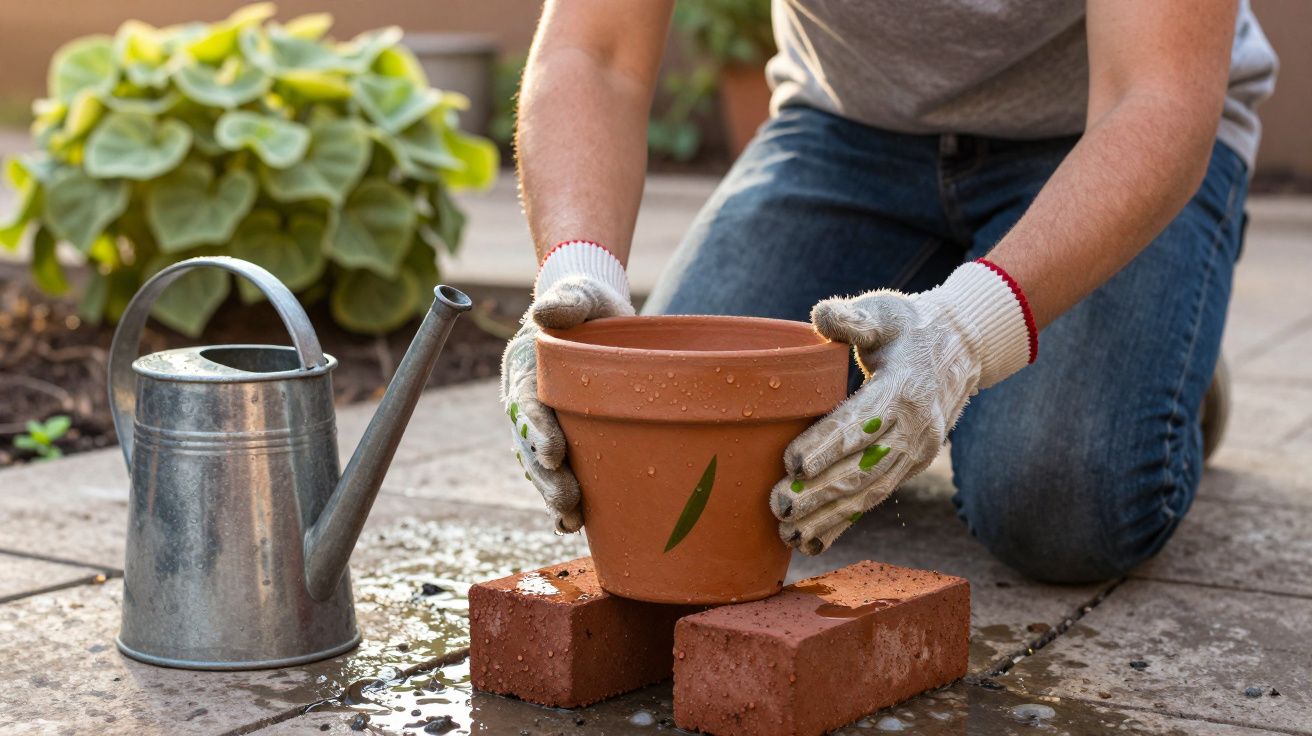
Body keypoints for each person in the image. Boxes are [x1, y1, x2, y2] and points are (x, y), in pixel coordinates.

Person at [499, 0, 1277, 583]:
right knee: (689, 434)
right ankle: (1035, 319)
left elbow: (1158, 93)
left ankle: (1166, 356)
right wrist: (577, 277)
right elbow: (593, 51)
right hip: (847, 128)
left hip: (1106, 130)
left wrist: (965, 337)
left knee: (1054, 500)